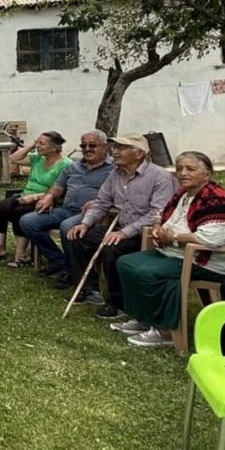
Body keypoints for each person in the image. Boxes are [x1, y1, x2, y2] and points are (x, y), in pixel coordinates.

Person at [113, 152, 225, 347]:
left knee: (150, 272)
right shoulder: (184, 193)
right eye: (179, 169)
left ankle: (166, 331)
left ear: (207, 174)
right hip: (178, 252)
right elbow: (160, 213)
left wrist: (172, 238)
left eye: (191, 169)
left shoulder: (217, 199)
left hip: (209, 260)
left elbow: (209, 240)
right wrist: (156, 226)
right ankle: (144, 318)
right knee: (126, 262)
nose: (183, 173)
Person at [66, 133, 176, 318]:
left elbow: (156, 214)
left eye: (122, 148)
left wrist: (124, 233)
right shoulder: (115, 174)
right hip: (120, 228)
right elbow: (101, 202)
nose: (115, 152)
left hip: (147, 233)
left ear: (139, 153)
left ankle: (117, 303)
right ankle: (90, 290)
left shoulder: (160, 177)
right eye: (115, 147)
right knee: (78, 236)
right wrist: (85, 224)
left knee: (112, 248)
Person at [19, 130, 114, 285]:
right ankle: (60, 261)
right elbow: (58, 187)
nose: (87, 149)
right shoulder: (73, 167)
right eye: (83, 145)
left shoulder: (113, 169)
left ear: (105, 147)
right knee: (28, 221)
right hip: (66, 209)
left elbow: (117, 194)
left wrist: (98, 203)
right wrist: (50, 196)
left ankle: (71, 272)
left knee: (67, 227)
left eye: (92, 145)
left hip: (92, 213)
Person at [0, 131, 71, 266]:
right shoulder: (38, 158)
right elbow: (14, 159)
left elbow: (61, 190)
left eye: (42, 144)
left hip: (46, 200)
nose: (38, 146)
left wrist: (34, 197)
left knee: (20, 211)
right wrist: (31, 146)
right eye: (37, 142)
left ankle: (21, 255)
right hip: (25, 195)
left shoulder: (66, 164)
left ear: (54, 148)